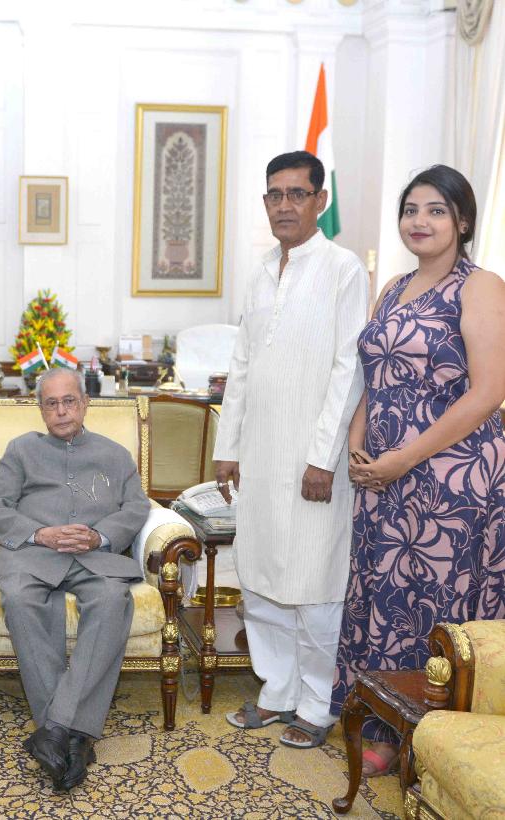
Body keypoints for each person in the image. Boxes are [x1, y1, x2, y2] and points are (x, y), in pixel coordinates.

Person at [332, 165, 505, 775]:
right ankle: (380, 718)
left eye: (436, 210)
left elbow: (488, 392)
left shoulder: (480, 286)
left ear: (463, 221)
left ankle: (423, 738)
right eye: (410, 209)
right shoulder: (393, 287)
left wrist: (402, 459)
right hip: (384, 475)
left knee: (434, 604)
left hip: (451, 478)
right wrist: (357, 445)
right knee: (384, 594)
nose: (419, 221)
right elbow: (374, 377)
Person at [214, 151, 368, 748]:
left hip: (313, 462)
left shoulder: (342, 268)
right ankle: (277, 690)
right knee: (259, 576)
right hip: (259, 455)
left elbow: (348, 368)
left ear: (320, 201)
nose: (285, 205)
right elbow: (242, 364)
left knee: (314, 582)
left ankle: (318, 702)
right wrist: (228, 445)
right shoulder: (259, 270)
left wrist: (322, 458)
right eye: (275, 195)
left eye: (297, 194)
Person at [0, 366, 150, 792]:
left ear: (85, 403)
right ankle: (76, 738)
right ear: (41, 410)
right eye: (51, 404)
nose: (61, 411)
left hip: (95, 558)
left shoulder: (115, 455)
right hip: (33, 555)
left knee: (113, 601)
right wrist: (40, 534)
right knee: (19, 597)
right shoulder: (20, 450)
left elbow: (136, 507)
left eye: (69, 401)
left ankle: (54, 730)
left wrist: (100, 536)